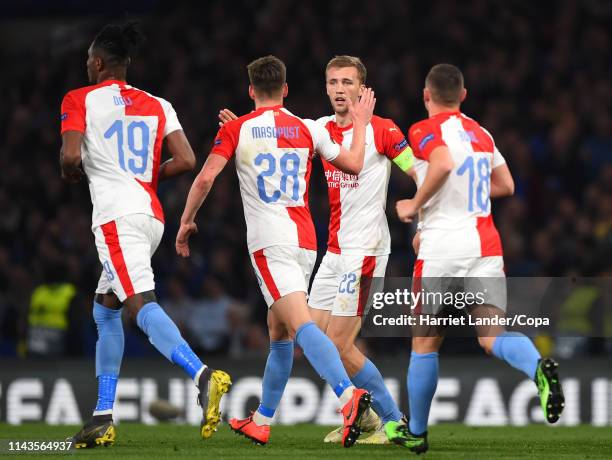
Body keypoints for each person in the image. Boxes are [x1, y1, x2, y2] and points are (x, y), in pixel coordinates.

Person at [176, 55, 376, 448]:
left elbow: (205, 178)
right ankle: (263, 420)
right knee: (278, 330)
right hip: (305, 242)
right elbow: (353, 163)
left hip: (270, 242)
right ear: (285, 89)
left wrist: (185, 223)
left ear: (251, 90)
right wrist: (363, 125)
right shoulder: (306, 128)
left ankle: (347, 396)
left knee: (301, 326)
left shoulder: (239, 129)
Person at [59, 22, 231, 448]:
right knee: (105, 309)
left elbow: (69, 154)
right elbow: (187, 158)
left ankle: (203, 374)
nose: (86, 66)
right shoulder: (159, 103)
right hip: (150, 216)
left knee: (139, 303)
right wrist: (142, 175)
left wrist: (72, 171)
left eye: (87, 61)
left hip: (117, 217)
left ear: (98, 63)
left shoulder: (79, 99)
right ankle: (102, 416)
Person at [394, 63, 565, 453]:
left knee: (424, 343)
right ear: (464, 95)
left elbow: (441, 164)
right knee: (491, 336)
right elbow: (506, 184)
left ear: (426, 95)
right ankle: (537, 367)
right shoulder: (481, 133)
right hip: (484, 245)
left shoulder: (422, 130)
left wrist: (414, 205)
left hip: (442, 248)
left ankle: (416, 432)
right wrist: (461, 195)